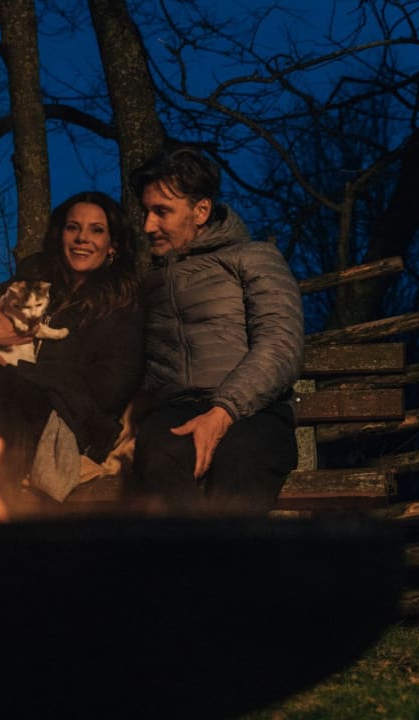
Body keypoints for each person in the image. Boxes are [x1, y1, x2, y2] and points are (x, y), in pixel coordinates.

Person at [127, 145, 304, 515]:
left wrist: (223, 411)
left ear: (201, 210)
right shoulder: (149, 284)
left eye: (161, 212)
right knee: (159, 454)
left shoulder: (253, 258)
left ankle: (223, 570)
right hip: (174, 412)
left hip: (252, 411)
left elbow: (280, 343)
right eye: (146, 211)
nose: (148, 225)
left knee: (239, 459)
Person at [0, 191, 143, 508]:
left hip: (69, 419)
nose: (82, 238)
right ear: (60, 234)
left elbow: (108, 389)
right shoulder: (29, 284)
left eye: (96, 230)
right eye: (73, 227)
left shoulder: (121, 303)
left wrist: (20, 371)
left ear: (113, 246)